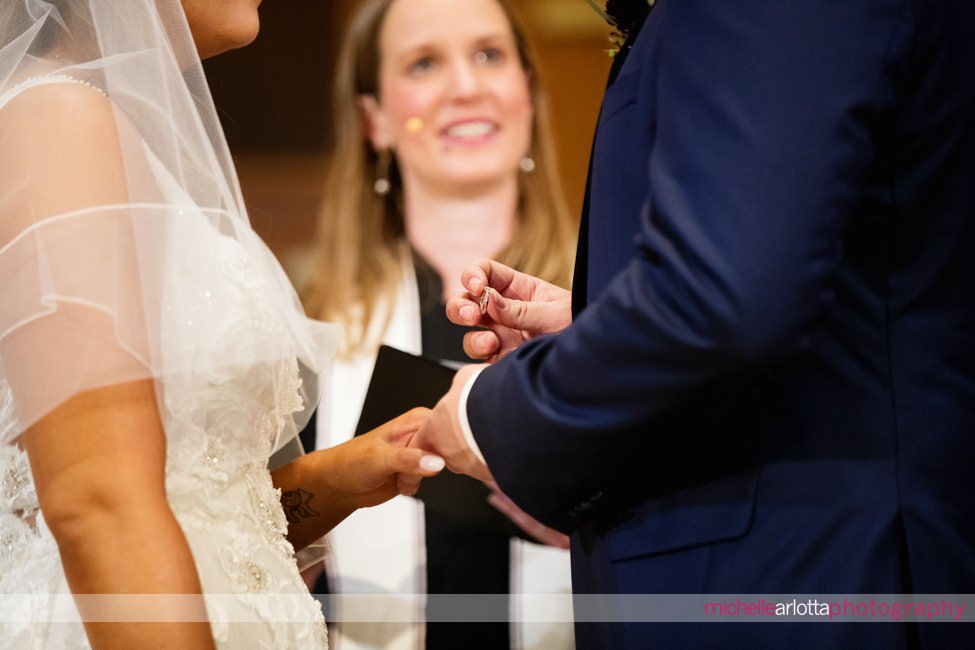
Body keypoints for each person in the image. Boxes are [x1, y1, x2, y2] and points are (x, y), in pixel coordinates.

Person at [411, 0, 975, 648]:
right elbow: (834, 277)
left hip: (813, 581)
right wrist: (601, 327)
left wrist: (494, 412)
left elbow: (721, 300)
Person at [0, 1, 446, 648]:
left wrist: (333, 476)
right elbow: (96, 505)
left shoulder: (104, 127)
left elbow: (201, 506)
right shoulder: (58, 122)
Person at [297, 0, 577, 649]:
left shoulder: (616, 308)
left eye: (489, 55)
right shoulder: (305, 330)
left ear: (527, 94)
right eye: (424, 63)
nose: (466, 87)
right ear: (374, 120)